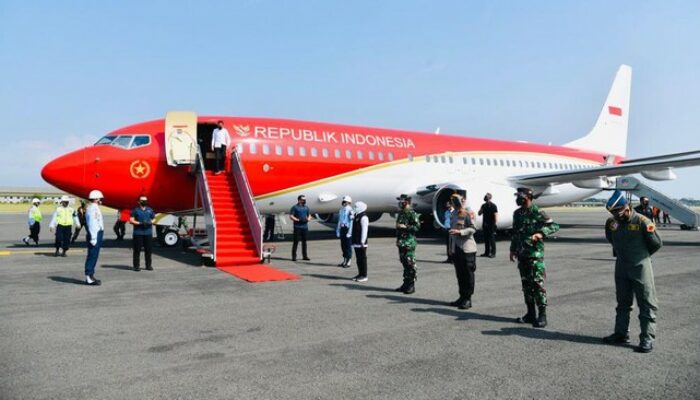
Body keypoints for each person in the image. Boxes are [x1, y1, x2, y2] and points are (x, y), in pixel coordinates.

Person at [603, 190, 662, 353]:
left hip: (640, 267)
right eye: (613, 213)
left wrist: (640, 256)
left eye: (618, 212)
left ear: (627, 207)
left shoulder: (643, 221)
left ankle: (647, 339)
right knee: (623, 302)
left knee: (646, 303)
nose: (616, 216)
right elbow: (611, 238)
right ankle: (621, 333)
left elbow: (656, 243)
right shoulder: (612, 223)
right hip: (621, 266)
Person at [510, 187, 559, 328]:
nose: (518, 198)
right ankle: (530, 314)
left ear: (528, 197)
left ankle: (542, 315)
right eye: (517, 196)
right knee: (526, 286)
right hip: (522, 254)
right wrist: (512, 249)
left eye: (521, 196)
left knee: (537, 285)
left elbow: (554, 226)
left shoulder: (538, 212)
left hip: (535, 255)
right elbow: (515, 233)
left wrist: (541, 233)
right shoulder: (517, 213)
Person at [448, 194, 477, 309]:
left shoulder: (467, 213)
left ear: (462, 201)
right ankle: (462, 297)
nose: (454, 203)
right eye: (452, 200)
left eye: (456, 200)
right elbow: (451, 233)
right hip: (457, 248)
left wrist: (461, 232)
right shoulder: (453, 213)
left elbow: (473, 228)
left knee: (468, 275)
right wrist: (451, 248)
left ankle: (468, 299)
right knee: (460, 274)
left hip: (467, 249)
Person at [395, 194, 420, 294]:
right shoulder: (401, 213)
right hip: (401, 242)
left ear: (406, 201)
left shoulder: (411, 213)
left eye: (401, 201)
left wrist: (406, 226)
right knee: (404, 263)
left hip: (409, 242)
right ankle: (405, 284)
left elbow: (417, 227)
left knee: (410, 264)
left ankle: (411, 285)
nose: (400, 203)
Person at [130, 195, 156, 271]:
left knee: (148, 250)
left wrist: (150, 222)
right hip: (138, 233)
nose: (144, 202)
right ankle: (136, 266)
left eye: (145, 200)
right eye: (142, 200)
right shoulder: (135, 210)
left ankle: (148, 265)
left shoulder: (150, 210)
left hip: (148, 233)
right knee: (137, 250)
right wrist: (139, 223)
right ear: (138, 201)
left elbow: (154, 218)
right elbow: (131, 220)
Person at [84, 190, 104, 286]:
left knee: (94, 255)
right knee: (92, 255)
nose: (101, 200)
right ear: (96, 199)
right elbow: (92, 224)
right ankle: (89, 277)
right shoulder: (93, 208)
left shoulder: (94, 207)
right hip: (95, 234)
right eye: (100, 198)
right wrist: (93, 237)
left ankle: (91, 275)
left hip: (97, 233)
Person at [289, 195, 312, 261]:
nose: (304, 201)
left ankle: (305, 256)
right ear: (299, 200)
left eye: (305, 199)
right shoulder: (295, 207)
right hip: (297, 227)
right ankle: (294, 257)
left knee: (304, 242)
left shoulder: (306, 207)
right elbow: (291, 216)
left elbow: (309, 215)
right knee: (296, 242)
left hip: (305, 227)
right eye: (303, 199)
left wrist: (308, 219)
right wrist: (297, 219)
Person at [351, 201, 369, 282]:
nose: (354, 208)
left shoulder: (364, 217)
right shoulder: (357, 216)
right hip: (356, 241)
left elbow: (365, 230)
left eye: (356, 207)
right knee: (358, 259)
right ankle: (360, 274)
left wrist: (362, 241)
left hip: (361, 242)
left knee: (362, 259)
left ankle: (364, 275)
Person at [336, 195, 354, 268]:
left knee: (348, 246)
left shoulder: (351, 211)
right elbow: (339, 221)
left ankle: (349, 261)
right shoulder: (341, 210)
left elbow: (352, 222)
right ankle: (344, 260)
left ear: (349, 202)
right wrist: (338, 230)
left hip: (347, 228)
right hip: (342, 228)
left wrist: (350, 232)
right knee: (343, 245)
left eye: (345, 201)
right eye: (343, 201)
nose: (343, 202)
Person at [478, 192, 499, 258]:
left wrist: (495, 224)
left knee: (492, 239)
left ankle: (493, 253)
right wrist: (481, 210)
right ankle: (487, 252)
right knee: (486, 239)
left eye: (486, 196)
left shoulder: (493, 206)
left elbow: (495, 215)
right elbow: (479, 213)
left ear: (489, 197)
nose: (485, 197)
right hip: (485, 224)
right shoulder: (484, 205)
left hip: (491, 224)